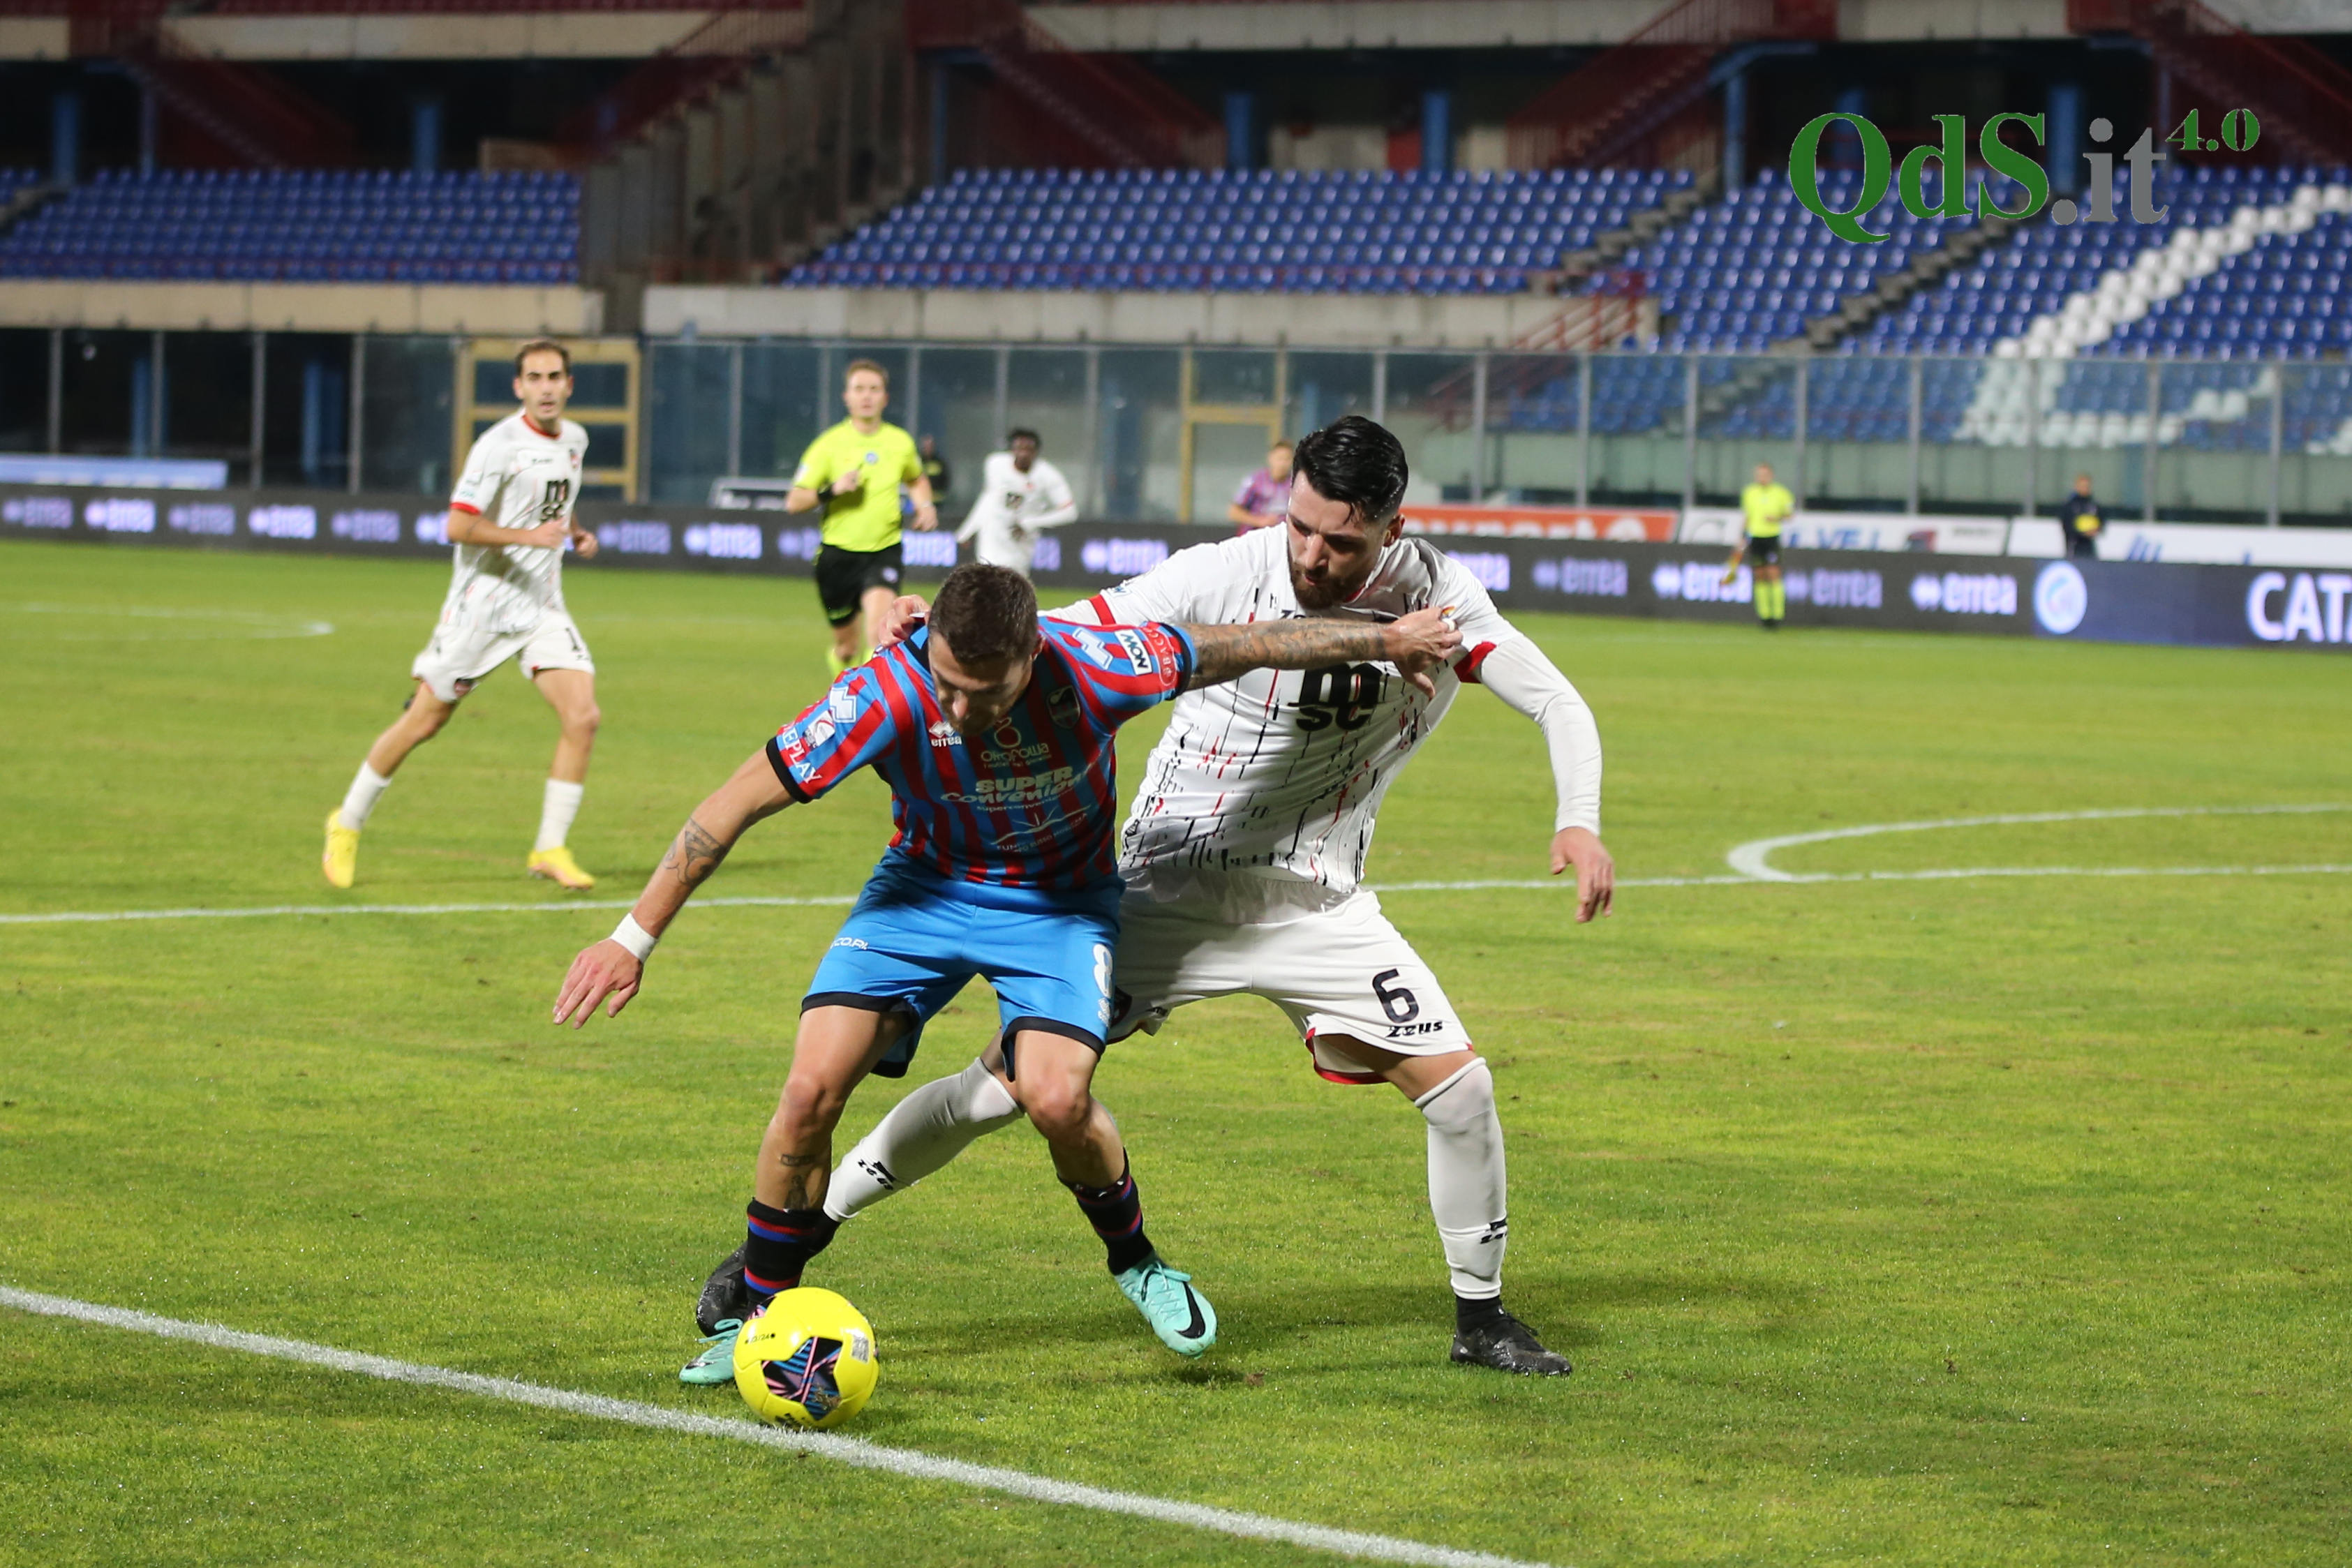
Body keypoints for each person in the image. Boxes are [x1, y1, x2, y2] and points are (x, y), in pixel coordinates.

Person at [821, 415, 1613, 1377]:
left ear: (1394, 528)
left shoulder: (1441, 601)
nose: (1315, 555)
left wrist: (1578, 818)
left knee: (1460, 1087)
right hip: (1167, 887)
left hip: (1317, 905)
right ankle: (800, 1229)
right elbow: (1066, 630)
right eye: (1303, 529)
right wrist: (942, 626)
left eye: (1343, 541)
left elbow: (1558, 701)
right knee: (1009, 1088)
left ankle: (1481, 1320)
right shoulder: (1223, 571)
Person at [547, 563, 1462, 1381]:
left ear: (1032, 655)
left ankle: (1139, 1261)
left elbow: (1250, 642)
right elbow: (730, 806)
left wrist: (1386, 638)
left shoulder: (1101, 664)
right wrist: (633, 937)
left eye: (980, 692)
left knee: (1055, 1098)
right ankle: (755, 1310)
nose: (955, 709)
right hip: (919, 894)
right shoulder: (887, 690)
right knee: (807, 1091)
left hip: (1059, 907)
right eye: (945, 681)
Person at [321, 338, 602, 892]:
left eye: (555, 377)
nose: (546, 387)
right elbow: (456, 526)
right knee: (425, 720)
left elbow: (553, 504)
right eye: (535, 378)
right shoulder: (497, 446)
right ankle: (346, 821)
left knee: (583, 717)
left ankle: (550, 846)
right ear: (518, 387)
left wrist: (574, 531)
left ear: (569, 385)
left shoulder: (575, 439)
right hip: (483, 607)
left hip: (542, 604)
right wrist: (531, 536)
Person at [784, 359, 938, 678]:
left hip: (883, 550)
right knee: (846, 647)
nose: (866, 396)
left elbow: (916, 479)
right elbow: (794, 501)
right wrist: (832, 490)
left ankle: (870, 708)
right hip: (837, 557)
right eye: (859, 389)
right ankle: (844, 677)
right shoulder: (828, 445)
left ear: (885, 397)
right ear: (847, 397)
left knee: (878, 636)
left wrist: (924, 506)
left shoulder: (899, 442)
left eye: (874, 389)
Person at [955, 428, 1078, 578]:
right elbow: (988, 499)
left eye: (1029, 449)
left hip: (1021, 540)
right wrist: (967, 530)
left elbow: (1070, 512)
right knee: (987, 579)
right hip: (994, 533)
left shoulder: (1047, 475)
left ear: (1036, 453)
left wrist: (1031, 523)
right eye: (1019, 448)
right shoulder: (995, 464)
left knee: (1013, 584)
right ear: (1012, 450)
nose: (1023, 454)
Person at [1723, 461, 1793, 630]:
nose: (1761, 477)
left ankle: (1777, 616)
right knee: (1759, 575)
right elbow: (1747, 516)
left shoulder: (1782, 493)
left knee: (1773, 574)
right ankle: (1764, 616)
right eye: (1758, 474)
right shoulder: (1749, 492)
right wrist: (1741, 537)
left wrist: (1776, 518)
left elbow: (1789, 516)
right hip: (1755, 538)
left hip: (1771, 537)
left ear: (1771, 475)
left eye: (1764, 474)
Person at [1226, 439, 1293, 532]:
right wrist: (1259, 521)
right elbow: (1233, 512)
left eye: (1287, 459)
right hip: (1255, 536)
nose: (1283, 464)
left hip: (1281, 537)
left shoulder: (1295, 484)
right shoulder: (1255, 481)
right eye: (1280, 458)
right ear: (1270, 458)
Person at [2057, 472, 2104, 559]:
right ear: (2076, 486)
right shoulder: (2070, 505)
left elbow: (2101, 522)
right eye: (2082, 486)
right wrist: (2082, 532)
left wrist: (2095, 530)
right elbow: (2067, 527)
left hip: (2089, 548)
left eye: (2087, 486)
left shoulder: (2093, 505)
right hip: (2074, 547)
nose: (2085, 488)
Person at [918, 433, 952, 503]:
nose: (927, 448)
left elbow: (946, 478)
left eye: (929, 446)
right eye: (925, 446)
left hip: (938, 500)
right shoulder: (918, 462)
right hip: (922, 500)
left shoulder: (939, 462)